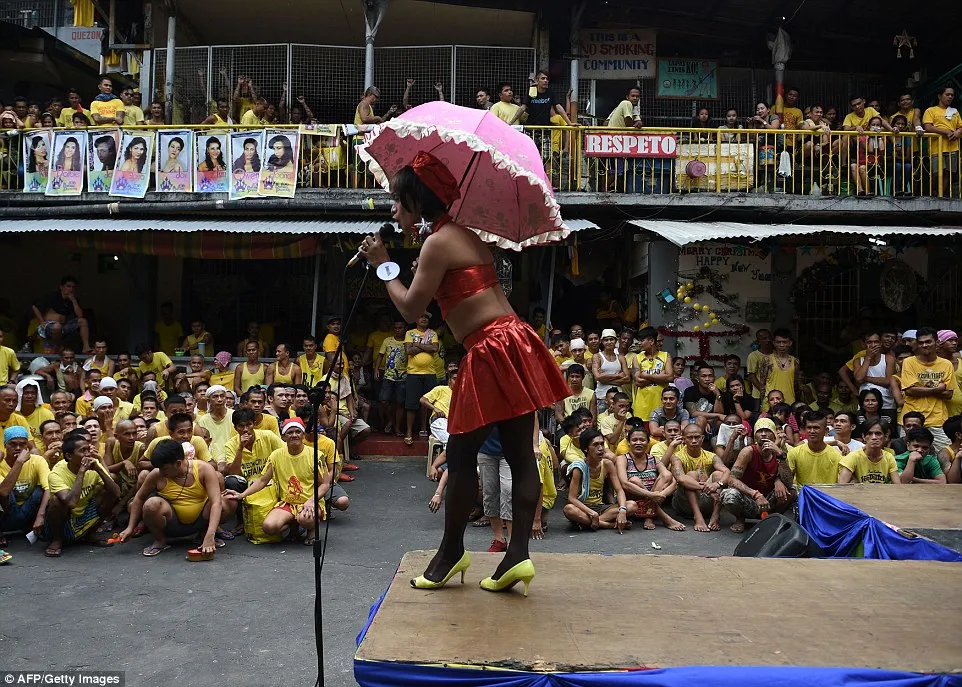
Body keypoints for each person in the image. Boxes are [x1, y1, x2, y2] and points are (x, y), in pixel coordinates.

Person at [355, 150, 568, 593]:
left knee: (462, 452)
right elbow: (445, 290)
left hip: (489, 347)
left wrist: (381, 266)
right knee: (520, 454)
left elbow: (412, 306)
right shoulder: (459, 234)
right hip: (514, 339)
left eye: (397, 201)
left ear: (416, 199)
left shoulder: (436, 242)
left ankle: (451, 554)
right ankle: (517, 558)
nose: (393, 209)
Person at [223, 418, 332, 546]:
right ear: (284, 437)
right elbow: (263, 480)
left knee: (305, 519)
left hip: (310, 501)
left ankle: (312, 529)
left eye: (298, 431)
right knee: (269, 527)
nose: (294, 435)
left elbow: (325, 484)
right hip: (288, 502)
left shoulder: (316, 455)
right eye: (290, 432)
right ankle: (294, 526)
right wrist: (241, 495)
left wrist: (311, 501)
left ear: (303, 435)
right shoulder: (276, 455)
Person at [118, 438, 226, 557]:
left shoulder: (203, 469)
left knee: (226, 501)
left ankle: (204, 535)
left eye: (164, 469)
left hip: (202, 519)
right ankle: (160, 540)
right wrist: (130, 527)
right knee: (151, 504)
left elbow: (216, 502)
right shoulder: (157, 474)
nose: (161, 472)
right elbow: (138, 498)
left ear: (178, 463)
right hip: (171, 524)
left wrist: (210, 535)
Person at [43, 433, 121, 557]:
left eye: (88, 449)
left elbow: (117, 493)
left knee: (108, 491)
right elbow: (71, 503)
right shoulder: (56, 473)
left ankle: (90, 535)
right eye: (82, 451)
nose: (88, 454)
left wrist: (99, 469)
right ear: (69, 456)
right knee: (55, 501)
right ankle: (56, 540)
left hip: (84, 514)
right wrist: (81, 472)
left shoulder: (93, 465)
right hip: (66, 519)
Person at [720, 418, 793, 533]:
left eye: (767, 431)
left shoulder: (779, 452)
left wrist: (780, 454)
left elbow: (789, 482)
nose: (763, 434)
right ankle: (740, 518)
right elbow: (732, 480)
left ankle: (773, 519)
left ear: (774, 435)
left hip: (769, 500)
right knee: (729, 494)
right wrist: (755, 494)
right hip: (749, 499)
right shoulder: (748, 451)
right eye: (759, 431)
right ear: (755, 436)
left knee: (791, 491)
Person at [563, 428, 635, 534]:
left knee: (632, 505)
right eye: (595, 445)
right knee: (568, 509)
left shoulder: (607, 464)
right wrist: (592, 513)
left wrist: (623, 510)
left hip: (601, 508)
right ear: (586, 449)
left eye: (602, 444)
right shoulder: (579, 467)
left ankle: (590, 523)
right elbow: (572, 498)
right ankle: (607, 525)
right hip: (584, 508)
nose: (601, 448)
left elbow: (619, 490)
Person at [897, 327, 956, 452]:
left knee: (944, 455)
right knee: (908, 456)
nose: (924, 345)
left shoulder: (946, 364)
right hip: (911, 419)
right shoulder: (909, 362)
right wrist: (937, 389)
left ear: (937, 342)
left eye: (928, 341)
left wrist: (920, 389)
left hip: (938, 419)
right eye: (921, 342)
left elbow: (949, 394)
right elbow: (909, 391)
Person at [615, 425, 683, 531]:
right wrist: (652, 495)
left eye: (642, 440)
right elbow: (624, 484)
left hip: (655, 495)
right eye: (634, 440)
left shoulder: (653, 459)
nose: (638, 443)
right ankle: (664, 517)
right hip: (632, 499)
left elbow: (672, 480)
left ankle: (649, 514)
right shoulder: (622, 459)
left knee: (667, 475)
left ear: (648, 442)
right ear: (628, 442)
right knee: (634, 480)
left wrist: (661, 495)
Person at [665, 424, 730, 532]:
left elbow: (727, 471)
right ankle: (698, 516)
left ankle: (715, 515)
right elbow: (680, 479)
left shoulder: (711, 456)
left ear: (702, 438)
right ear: (684, 439)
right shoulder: (677, 457)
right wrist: (707, 488)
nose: (694, 440)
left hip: (707, 500)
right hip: (684, 502)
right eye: (690, 438)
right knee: (691, 475)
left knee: (719, 474)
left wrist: (717, 484)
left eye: (697, 437)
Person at [0, 426, 50, 547]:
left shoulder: (37, 460)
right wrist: (19, 463)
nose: (18, 448)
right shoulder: (1, 464)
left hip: (29, 510)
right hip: (6, 513)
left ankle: (32, 526)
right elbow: (3, 492)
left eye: (22, 444)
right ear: (5, 445)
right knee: (5, 490)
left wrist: (40, 516)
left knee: (41, 490)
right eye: (13, 444)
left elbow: (49, 488)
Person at [779, 410, 841, 489]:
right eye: (809, 428)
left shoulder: (836, 455)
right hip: (802, 498)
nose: (812, 431)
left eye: (816, 428)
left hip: (827, 498)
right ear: (805, 429)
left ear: (825, 431)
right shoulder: (795, 452)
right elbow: (787, 481)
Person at [403, 312, 439, 445]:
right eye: (421, 316)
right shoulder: (409, 333)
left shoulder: (433, 333)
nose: (423, 319)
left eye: (426, 317)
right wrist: (426, 347)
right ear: (416, 319)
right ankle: (408, 432)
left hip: (430, 373)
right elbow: (408, 351)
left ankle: (424, 428)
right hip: (413, 373)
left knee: (427, 403)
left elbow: (434, 348)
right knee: (411, 404)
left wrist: (417, 344)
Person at [31, 275, 92, 353]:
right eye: (68, 286)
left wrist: (73, 301)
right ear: (62, 287)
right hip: (49, 327)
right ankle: (57, 346)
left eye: (73, 287)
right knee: (57, 326)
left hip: (64, 326)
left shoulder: (73, 300)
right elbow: (35, 306)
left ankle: (86, 347)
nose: (71, 289)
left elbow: (80, 316)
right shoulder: (53, 295)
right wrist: (41, 321)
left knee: (83, 321)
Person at [922, 86, 961, 197]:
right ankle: (931, 192)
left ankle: (941, 194)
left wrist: (958, 132)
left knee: (948, 173)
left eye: (952, 95)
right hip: (936, 147)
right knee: (936, 172)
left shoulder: (955, 112)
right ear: (940, 96)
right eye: (947, 94)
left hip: (952, 147)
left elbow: (960, 126)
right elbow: (928, 127)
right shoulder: (931, 110)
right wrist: (946, 132)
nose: (950, 97)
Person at [375, 320, 408, 436]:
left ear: (405, 329)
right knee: (384, 400)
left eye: (400, 328)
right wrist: (376, 369)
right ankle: (391, 420)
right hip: (388, 375)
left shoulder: (408, 342)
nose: (398, 330)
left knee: (400, 403)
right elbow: (380, 356)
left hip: (403, 376)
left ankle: (397, 428)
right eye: (396, 328)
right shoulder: (387, 340)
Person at [757, 328, 802, 405]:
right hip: (771, 403)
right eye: (778, 342)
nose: (781, 345)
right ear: (774, 343)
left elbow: (796, 384)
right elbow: (762, 384)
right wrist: (763, 402)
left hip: (789, 402)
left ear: (790, 343)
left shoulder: (795, 361)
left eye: (784, 342)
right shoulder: (767, 360)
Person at [591, 328, 630, 413]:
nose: (609, 342)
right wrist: (618, 376)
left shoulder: (621, 357)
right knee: (602, 422)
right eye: (606, 340)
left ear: (616, 341)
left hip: (618, 398)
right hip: (602, 397)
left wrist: (604, 378)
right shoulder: (597, 356)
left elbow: (627, 378)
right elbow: (597, 376)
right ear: (602, 341)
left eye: (611, 339)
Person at [196, 385, 234, 470]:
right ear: (209, 401)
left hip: (232, 457)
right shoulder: (203, 420)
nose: (219, 399)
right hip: (212, 461)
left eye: (222, 396)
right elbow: (204, 444)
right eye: (215, 397)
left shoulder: (234, 415)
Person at [683, 363, 725, 434]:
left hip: (711, 421)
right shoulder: (690, 391)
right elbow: (693, 413)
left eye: (710, 376)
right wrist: (715, 416)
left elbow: (720, 413)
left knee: (720, 423)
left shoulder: (718, 392)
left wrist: (717, 394)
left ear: (714, 378)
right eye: (703, 376)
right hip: (693, 422)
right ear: (697, 378)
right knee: (701, 419)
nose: (707, 379)